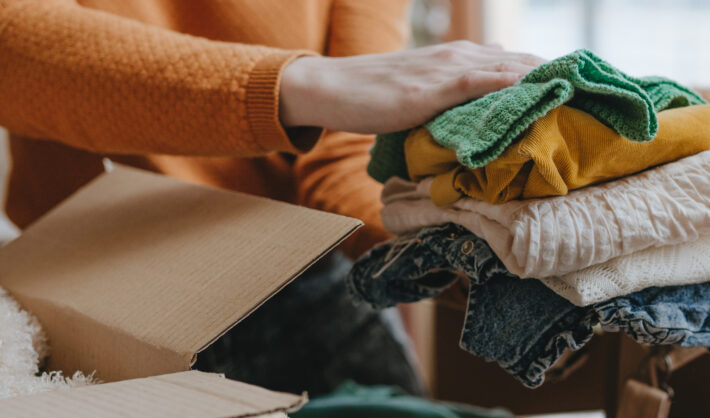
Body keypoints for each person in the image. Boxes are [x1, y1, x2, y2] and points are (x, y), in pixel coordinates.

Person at [0, 0, 543, 396]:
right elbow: (12, 42)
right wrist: (304, 85)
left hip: (293, 269)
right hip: (96, 286)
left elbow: (341, 159)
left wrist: (467, 253)